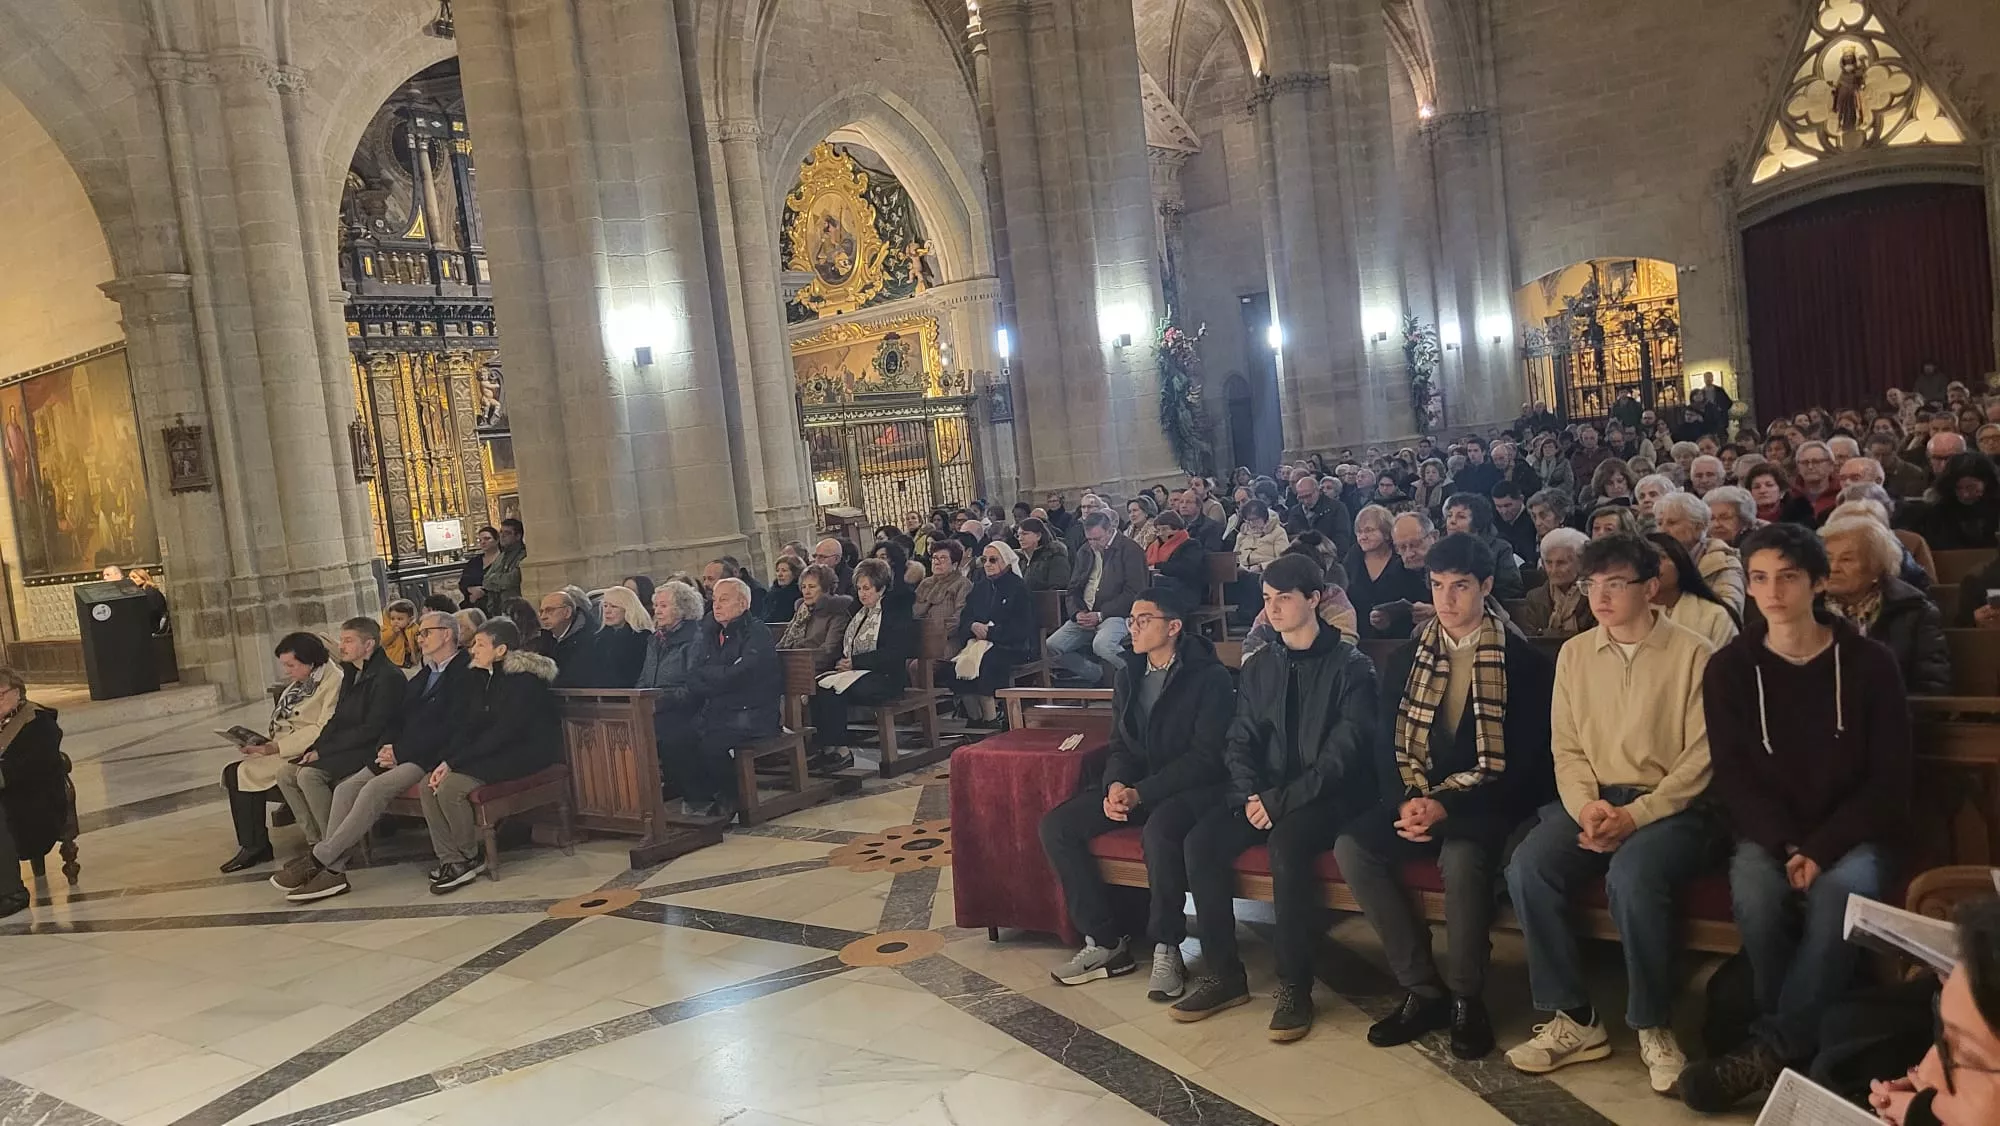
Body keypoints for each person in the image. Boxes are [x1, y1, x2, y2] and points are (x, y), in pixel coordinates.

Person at [1677, 523, 1911, 1111]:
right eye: (1758, 578)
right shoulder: (1730, 667)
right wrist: (1785, 846)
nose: (1772, 591)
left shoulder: (1870, 663)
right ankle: (1800, 1049)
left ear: (1817, 582)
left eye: (1787, 577)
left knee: (1838, 895)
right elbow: (1734, 776)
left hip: (1856, 832)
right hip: (1770, 833)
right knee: (1755, 891)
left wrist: (1821, 847)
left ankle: (1769, 1049)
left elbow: (1888, 781)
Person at [1504, 534, 1718, 1095]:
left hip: (1672, 809)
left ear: (1650, 588)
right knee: (1529, 866)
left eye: (1615, 584)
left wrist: (1637, 815)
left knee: (1633, 875)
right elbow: (1566, 747)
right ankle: (1573, 1018)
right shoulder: (1575, 654)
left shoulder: (1695, 653)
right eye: (1591, 584)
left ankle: (1653, 1022)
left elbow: (1702, 758)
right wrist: (1588, 808)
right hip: (1593, 802)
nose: (1599, 596)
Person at [1335, 533, 1555, 1061]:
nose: (1447, 600)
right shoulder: (1411, 653)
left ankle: (1465, 997)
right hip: (1415, 797)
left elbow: (1527, 765)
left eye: (1460, 587)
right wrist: (1404, 802)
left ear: (1484, 586)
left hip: (1485, 807)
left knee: (1461, 860)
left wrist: (1446, 807)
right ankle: (1422, 988)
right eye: (1437, 586)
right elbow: (1387, 742)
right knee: (1353, 847)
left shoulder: (1522, 662)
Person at [1172, 555, 1379, 1042]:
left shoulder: (1352, 666)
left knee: (1287, 847)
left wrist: (1279, 801)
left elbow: (1341, 758)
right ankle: (1224, 974)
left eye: (1283, 598)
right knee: (1201, 842)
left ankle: (1295, 985)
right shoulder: (1262, 663)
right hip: (1264, 793)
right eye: (1267, 600)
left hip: (1330, 797)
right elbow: (1239, 738)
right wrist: (1248, 794)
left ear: (1315, 598)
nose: (1273, 610)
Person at [1038, 585, 1235, 998]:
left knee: (1160, 833)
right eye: (1131, 620)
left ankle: (1168, 946)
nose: (1133, 628)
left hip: (1194, 789)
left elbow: (1206, 759)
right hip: (1138, 787)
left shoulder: (1209, 677)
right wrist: (1115, 784)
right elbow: (1121, 745)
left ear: (1174, 626)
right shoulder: (1129, 672)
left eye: (1143, 620)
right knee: (1058, 826)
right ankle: (1106, 942)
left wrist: (1140, 793)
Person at [270, 611, 473, 903]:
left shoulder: (464, 672)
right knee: (345, 788)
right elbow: (397, 718)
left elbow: (450, 726)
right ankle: (334, 873)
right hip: (398, 751)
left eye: (426, 632)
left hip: (428, 757)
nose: (420, 638)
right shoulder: (426, 674)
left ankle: (321, 858)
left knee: (373, 788)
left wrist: (399, 751)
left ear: (448, 635)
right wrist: (389, 745)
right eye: (421, 633)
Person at [420, 619, 563, 892]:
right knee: (430, 784)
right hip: (492, 750)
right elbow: (468, 727)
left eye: (481, 644)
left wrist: (456, 763)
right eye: (473, 643)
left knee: (450, 789)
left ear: (501, 650)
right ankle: (451, 859)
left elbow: (505, 732)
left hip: (525, 752)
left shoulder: (524, 681)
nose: (473, 650)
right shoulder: (480, 676)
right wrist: (446, 762)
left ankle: (470, 857)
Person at [272, 618, 405, 854]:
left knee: (309, 776)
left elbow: (372, 729)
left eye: (348, 641)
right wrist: (316, 748)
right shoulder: (352, 672)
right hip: (347, 745)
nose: (341, 646)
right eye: (341, 640)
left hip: (372, 748)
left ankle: (332, 846)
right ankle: (315, 842)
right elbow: (337, 719)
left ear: (369, 645)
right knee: (285, 774)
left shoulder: (388, 677)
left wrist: (324, 752)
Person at [220, 632, 340, 872]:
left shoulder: (333, 681)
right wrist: (258, 743)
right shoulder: (303, 682)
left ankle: (256, 846)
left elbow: (321, 726)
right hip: (283, 746)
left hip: (303, 750)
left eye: (291, 665)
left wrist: (275, 747)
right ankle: (253, 844)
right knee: (235, 772)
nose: (287, 671)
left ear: (311, 661)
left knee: (240, 773)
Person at [677, 578, 781, 821]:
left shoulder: (756, 633)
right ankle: (702, 796)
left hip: (754, 712)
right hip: (721, 709)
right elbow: (693, 673)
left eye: (724, 599)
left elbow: (741, 674)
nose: (717, 605)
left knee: (711, 745)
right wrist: (718, 674)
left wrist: (713, 675)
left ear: (743, 603)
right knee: (681, 738)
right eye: (714, 600)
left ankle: (731, 797)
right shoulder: (711, 633)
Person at [1821, 515, 1950, 695]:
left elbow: (1931, 685)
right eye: (1828, 558)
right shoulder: (1807, 607)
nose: (1833, 568)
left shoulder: (1915, 612)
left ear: (1876, 567)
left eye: (1846, 560)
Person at [807, 559, 917, 766]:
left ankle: (841, 751)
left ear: (881, 587)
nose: (862, 593)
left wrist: (856, 662)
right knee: (818, 686)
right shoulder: (859, 612)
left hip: (886, 677)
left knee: (834, 690)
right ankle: (826, 748)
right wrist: (843, 662)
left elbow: (896, 651)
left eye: (867, 588)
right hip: (856, 672)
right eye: (859, 588)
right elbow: (848, 641)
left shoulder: (895, 611)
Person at [1051, 511, 1148, 686]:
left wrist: (1101, 614)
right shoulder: (1085, 551)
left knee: (1102, 645)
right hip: (1086, 614)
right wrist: (1077, 613)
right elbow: (1072, 589)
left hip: (1118, 613)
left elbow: (1134, 592)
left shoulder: (1130, 549)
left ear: (1110, 530)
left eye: (1098, 538)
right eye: (1090, 539)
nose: (1094, 544)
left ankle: (1142, 677)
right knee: (1052, 646)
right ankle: (1096, 675)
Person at [0, 668, 64, 917]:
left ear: (18, 692)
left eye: (1, 694)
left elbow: (33, 766)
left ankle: (11, 892)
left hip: (34, 805)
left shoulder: (37, 721)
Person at [950, 543, 1037, 727]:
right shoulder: (980, 587)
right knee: (957, 664)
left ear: (1006, 561)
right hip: (980, 643)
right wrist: (972, 626)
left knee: (986, 662)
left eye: (993, 560)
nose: (987, 564)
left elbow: (1022, 627)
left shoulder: (1018, 588)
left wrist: (991, 633)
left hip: (1012, 645)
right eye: (984, 560)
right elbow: (966, 617)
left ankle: (991, 720)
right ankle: (975, 718)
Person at [640, 581, 710, 801]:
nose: (657, 611)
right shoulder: (655, 639)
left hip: (690, 711)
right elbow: (644, 678)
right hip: (657, 707)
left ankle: (697, 796)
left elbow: (694, 686)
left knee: (671, 739)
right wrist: (636, 700)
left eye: (663, 606)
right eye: (656, 606)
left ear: (682, 609)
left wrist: (660, 702)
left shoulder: (696, 639)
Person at [1657, 491, 1745, 615]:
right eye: (1659, 523)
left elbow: (1729, 613)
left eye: (1672, 523)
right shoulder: (1654, 562)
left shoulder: (1724, 562)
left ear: (1699, 527)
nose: (1662, 530)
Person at [1649, 532, 1742, 648]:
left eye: (1659, 558)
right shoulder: (1632, 614)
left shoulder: (1713, 615)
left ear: (1679, 561)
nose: (1652, 567)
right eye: (1644, 561)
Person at [1441, 493, 1525, 599]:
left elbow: (1510, 591)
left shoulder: (1500, 549)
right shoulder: (1440, 549)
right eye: (1449, 515)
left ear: (1477, 523)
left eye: (1461, 516)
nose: (1451, 521)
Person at [1915, 453, 2000, 551]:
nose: (1965, 494)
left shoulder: (1996, 506)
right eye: (1958, 488)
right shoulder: (1939, 512)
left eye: (1971, 487)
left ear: (1987, 483)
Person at [570, 584, 651, 689]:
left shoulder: (643, 637)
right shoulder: (597, 638)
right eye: (605, 606)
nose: (607, 611)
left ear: (628, 609)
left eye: (614, 606)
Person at [1518, 528, 1594, 637]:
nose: (1553, 570)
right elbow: (1531, 641)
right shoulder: (1534, 598)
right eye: (1549, 563)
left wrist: (1546, 633)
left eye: (1561, 563)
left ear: (1581, 563)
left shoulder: (1594, 595)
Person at [1283, 473, 1355, 560]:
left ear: (1318, 491)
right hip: (1301, 561)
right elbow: (1290, 535)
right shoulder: (1295, 511)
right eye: (1301, 497)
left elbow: (1342, 538)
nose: (1305, 501)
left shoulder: (1337, 508)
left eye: (1308, 496)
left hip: (1329, 558)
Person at [539, 588, 601, 688]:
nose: (543, 617)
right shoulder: (544, 639)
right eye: (541, 612)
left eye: (549, 610)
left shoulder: (591, 638)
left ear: (567, 612)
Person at [1145, 511, 1206, 600]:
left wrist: (1157, 567)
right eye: (1158, 530)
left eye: (1165, 529)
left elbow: (1186, 569)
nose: (1161, 533)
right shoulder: (1153, 546)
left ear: (1177, 528)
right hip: (1161, 587)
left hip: (1184, 591)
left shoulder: (1191, 545)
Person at [478, 519, 527, 612]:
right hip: (498, 606)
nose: (502, 536)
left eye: (507, 533)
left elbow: (511, 579)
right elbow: (486, 580)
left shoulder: (523, 554)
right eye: (501, 532)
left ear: (518, 536)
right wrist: (497, 581)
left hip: (515, 605)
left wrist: (494, 580)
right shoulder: (502, 555)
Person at [1744, 463, 1814, 527]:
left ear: (1782, 492)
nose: (1762, 491)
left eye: (1769, 485)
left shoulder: (1800, 516)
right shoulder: (1743, 519)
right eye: (1757, 487)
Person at [1017, 517, 1071, 593]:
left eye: (1025, 534)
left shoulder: (1055, 556)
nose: (1020, 538)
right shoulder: (1020, 560)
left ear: (1038, 536)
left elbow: (1058, 587)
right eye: (1018, 535)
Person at [459, 527, 503, 610]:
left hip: (497, 603)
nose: (483, 542)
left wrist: (483, 591)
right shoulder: (475, 562)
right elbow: (463, 582)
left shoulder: (504, 559)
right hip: (475, 604)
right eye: (480, 540)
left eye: (487, 539)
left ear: (497, 540)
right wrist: (470, 590)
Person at [1492, 482, 1538, 562]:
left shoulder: (1534, 521)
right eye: (1498, 506)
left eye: (1508, 505)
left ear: (1521, 499)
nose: (1503, 511)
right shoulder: (1494, 520)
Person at [379, 599, 420, 670]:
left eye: (400, 619)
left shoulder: (414, 628)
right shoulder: (386, 629)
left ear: (410, 619)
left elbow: (419, 640)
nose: (396, 622)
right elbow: (383, 642)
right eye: (392, 619)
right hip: (393, 659)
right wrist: (393, 633)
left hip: (409, 657)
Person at [765, 557, 802, 625]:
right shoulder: (771, 593)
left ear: (794, 573)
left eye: (784, 571)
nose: (779, 574)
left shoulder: (799, 593)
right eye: (777, 570)